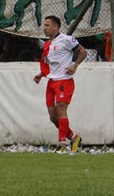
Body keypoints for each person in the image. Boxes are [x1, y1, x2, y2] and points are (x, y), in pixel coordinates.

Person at [32, 15, 86, 152]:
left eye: (47, 25)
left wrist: (75, 65)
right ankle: (74, 138)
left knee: (61, 110)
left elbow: (83, 52)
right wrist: (41, 74)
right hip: (51, 82)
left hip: (64, 80)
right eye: (44, 25)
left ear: (56, 27)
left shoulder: (66, 40)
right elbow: (52, 64)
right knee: (53, 116)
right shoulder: (47, 44)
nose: (44, 28)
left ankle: (62, 144)